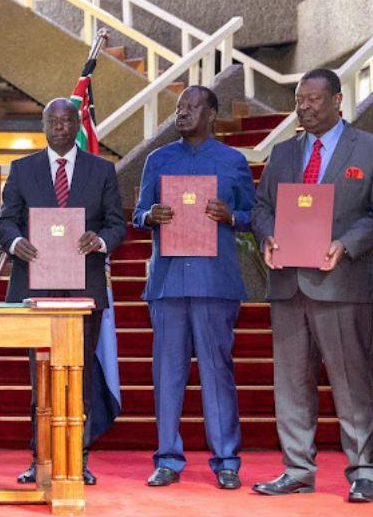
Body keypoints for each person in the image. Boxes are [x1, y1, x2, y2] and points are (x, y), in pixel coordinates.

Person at [251, 69, 373, 503]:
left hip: (343, 285)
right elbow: (262, 206)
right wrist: (267, 235)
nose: (304, 107)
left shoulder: (372, 150)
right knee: (290, 384)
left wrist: (346, 245)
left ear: (338, 101)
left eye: (312, 99)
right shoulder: (284, 152)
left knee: (352, 384)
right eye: (298, 99)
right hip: (289, 286)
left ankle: (364, 471)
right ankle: (296, 469)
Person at [0, 98, 126, 487]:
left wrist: (100, 240)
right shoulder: (22, 170)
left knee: (78, 378)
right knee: (42, 380)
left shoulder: (102, 171)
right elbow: (5, 222)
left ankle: (77, 459)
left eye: (67, 121)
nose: (60, 127)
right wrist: (17, 243)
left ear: (77, 125)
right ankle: (43, 458)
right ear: (44, 125)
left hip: (84, 292)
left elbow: (118, 225)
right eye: (53, 121)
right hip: (35, 289)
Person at [133, 86, 256, 490]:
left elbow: (254, 215)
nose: (181, 112)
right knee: (167, 375)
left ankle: (226, 461)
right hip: (168, 284)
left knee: (217, 373)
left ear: (212, 114)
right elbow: (138, 214)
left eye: (191, 107)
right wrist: (150, 215)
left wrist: (232, 216)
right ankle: (167, 458)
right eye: (179, 106)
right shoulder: (158, 159)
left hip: (214, 283)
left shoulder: (233, 162)